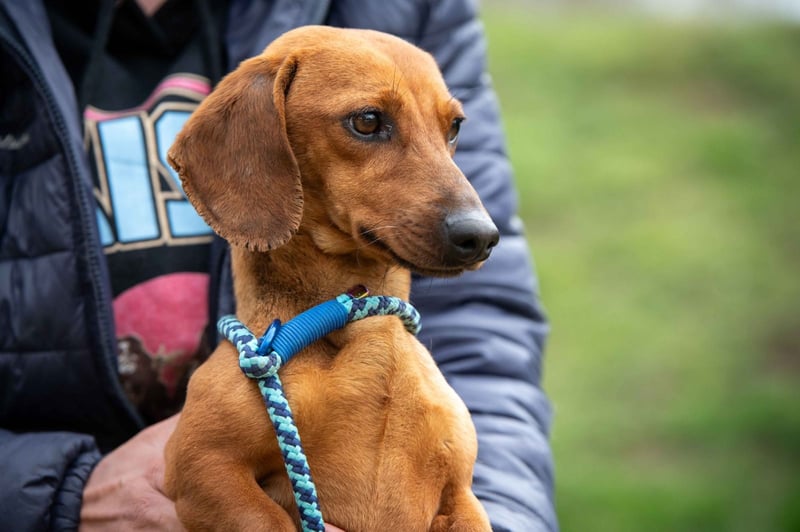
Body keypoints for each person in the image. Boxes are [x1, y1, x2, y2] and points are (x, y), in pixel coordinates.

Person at [0, 0, 557, 530]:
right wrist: (60, 495)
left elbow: (485, 335)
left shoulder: (407, 9)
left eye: (450, 129)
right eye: (368, 124)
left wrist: (501, 517)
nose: (474, 221)